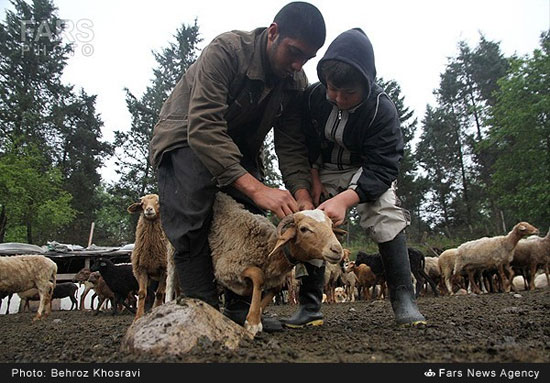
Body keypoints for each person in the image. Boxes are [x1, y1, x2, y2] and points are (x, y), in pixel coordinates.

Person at [149, 2, 325, 331]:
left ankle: (242, 310)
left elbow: (289, 144)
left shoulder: (294, 80)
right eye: (294, 52)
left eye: (307, 58)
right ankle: (204, 310)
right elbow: (202, 128)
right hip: (183, 138)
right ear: (273, 33)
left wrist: (301, 197)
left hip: (238, 148)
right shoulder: (226, 52)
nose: (299, 64)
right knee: (195, 203)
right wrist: (258, 189)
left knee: (251, 211)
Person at [282, 28, 426, 328]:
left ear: (366, 84)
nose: (337, 98)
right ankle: (310, 306)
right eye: (332, 89)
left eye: (348, 93)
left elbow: (384, 166)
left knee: (385, 213)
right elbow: (304, 141)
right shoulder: (314, 99)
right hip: (323, 169)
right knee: (309, 220)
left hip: (365, 171)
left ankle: (403, 298)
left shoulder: (381, 111)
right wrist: (313, 180)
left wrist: (347, 198)